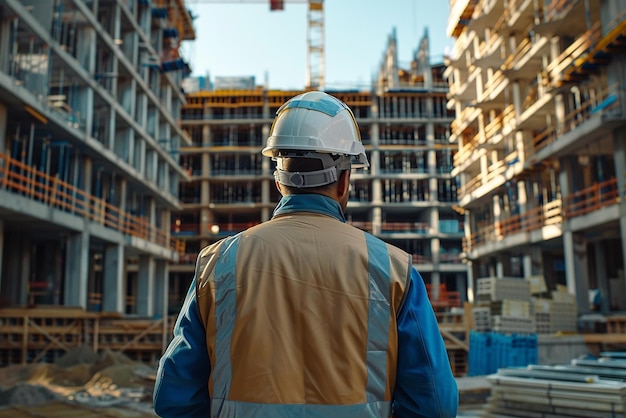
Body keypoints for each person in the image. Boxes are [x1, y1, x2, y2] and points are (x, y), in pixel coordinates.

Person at [153, 91, 458, 417]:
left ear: (279, 181)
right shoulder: (393, 269)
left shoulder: (217, 264)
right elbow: (436, 406)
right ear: (344, 180)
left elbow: (174, 399)